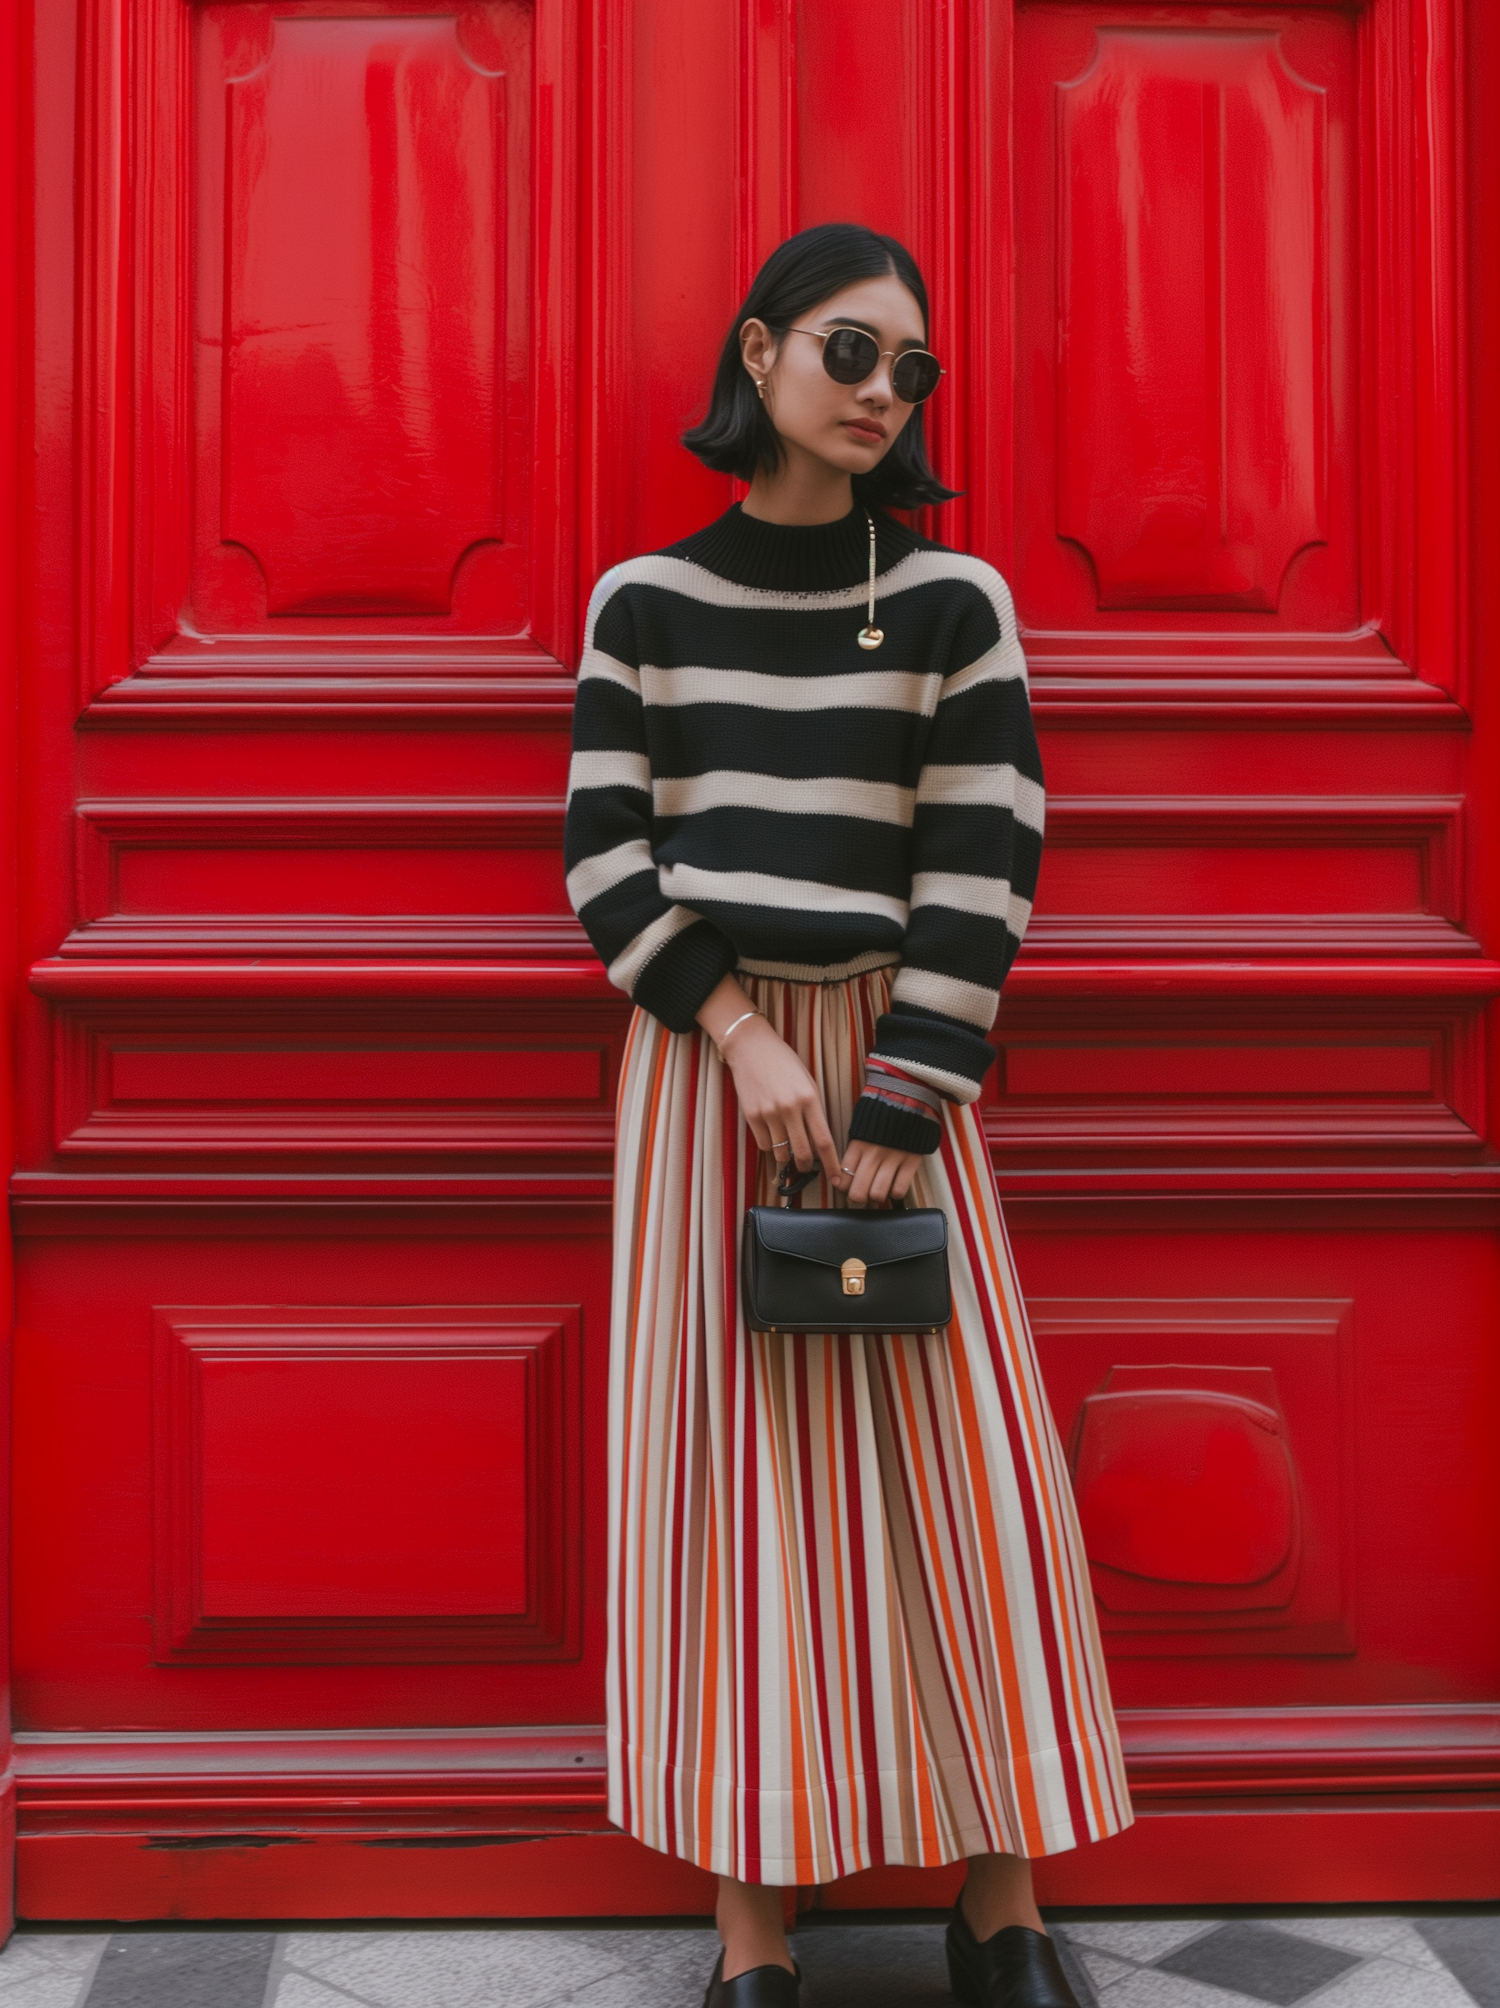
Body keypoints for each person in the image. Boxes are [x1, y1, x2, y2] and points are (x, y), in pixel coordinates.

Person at [564, 222, 1131, 2008]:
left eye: (915, 369)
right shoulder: (639, 601)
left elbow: (988, 855)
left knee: (966, 1474)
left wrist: (904, 1090)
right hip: (708, 1075)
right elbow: (603, 856)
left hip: (903, 1065)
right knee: (732, 1486)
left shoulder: (955, 604)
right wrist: (736, 1032)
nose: (885, 392)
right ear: (758, 355)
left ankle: (1002, 1907)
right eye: (850, 352)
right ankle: (753, 1939)